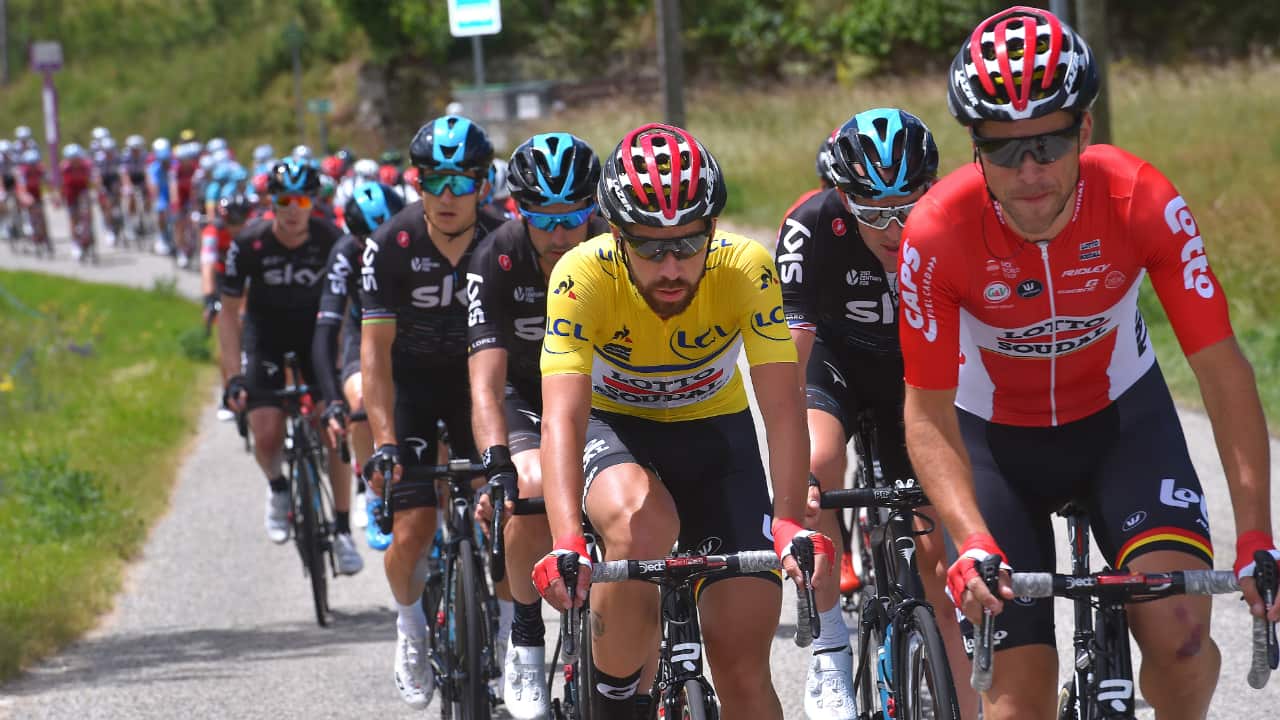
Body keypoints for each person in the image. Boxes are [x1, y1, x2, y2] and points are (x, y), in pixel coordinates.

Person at [901, 7, 1278, 720]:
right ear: (974, 149)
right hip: (996, 450)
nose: (1030, 171)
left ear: (1085, 130)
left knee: (1184, 638)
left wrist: (1256, 529)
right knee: (1018, 702)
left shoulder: (1142, 200)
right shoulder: (937, 232)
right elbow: (925, 410)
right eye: (1003, 150)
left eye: (1047, 143)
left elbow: (1224, 374)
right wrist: (971, 536)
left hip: (1121, 428)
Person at [531, 123, 834, 718]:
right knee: (646, 527)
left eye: (688, 244)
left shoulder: (747, 269)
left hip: (715, 437)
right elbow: (561, 421)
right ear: (616, 235)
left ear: (713, 229)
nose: (670, 267)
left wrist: (790, 520)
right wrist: (566, 539)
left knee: (744, 667)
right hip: (614, 428)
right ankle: (615, 699)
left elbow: (781, 405)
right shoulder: (579, 276)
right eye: (649, 247)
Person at [778, 108, 977, 719]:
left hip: (916, 378)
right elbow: (787, 368)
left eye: (907, 208)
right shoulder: (809, 227)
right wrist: (794, 485)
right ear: (841, 195)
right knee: (818, 457)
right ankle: (831, 643)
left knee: (944, 566)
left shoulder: (960, 219)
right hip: (835, 366)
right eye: (872, 212)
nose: (893, 230)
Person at [358, 115, 503, 709]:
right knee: (414, 528)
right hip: (413, 387)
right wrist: (384, 441)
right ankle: (410, 627)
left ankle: (509, 636)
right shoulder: (389, 245)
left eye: (461, 181)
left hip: (479, 386)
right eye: (433, 180)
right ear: (416, 183)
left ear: (482, 183)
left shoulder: (503, 241)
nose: (446, 195)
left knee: (505, 514)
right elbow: (375, 355)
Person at [466, 132, 607, 719]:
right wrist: (495, 459)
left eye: (573, 216)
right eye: (541, 217)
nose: (558, 232)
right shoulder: (494, 257)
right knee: (525, 487)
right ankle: (525, 635)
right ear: (517, 208)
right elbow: (483, 379)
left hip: (603, 394)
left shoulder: (616, 247)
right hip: (523, 393)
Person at [217, 159, 363, 576]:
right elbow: (229, 314)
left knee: (332, 428)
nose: (292, 209)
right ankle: (278, 487)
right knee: (265, 433)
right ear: (271, 202)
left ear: (313, 202)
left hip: (317, 336)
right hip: (266, 337)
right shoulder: (248, 243)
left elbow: (353, 307)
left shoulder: (331, 239)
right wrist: (233, 378)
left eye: (301, 200)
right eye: (283, 200)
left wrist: (344, 361)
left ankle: (340, 528)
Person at [313, 181, 405, 550]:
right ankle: (373, 490)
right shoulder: (343, 254)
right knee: (364, 401)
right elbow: (326, 328)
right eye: (367, 238)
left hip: (414, 332)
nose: (377, 244)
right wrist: (332, 398)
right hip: (362, 331)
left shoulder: (416, 239)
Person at [60, 143, 96, 261]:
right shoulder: (64, 167)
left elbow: (94, 179)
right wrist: (59, 197)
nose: (75, 162)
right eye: (72, 159)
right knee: (73, 218)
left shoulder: (86, 165)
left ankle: (89, 231)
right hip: (71, 193)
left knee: (87, 211)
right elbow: (60, 184)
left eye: (77, 159)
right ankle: (75, 243)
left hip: (83, 190)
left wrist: (96, 190)